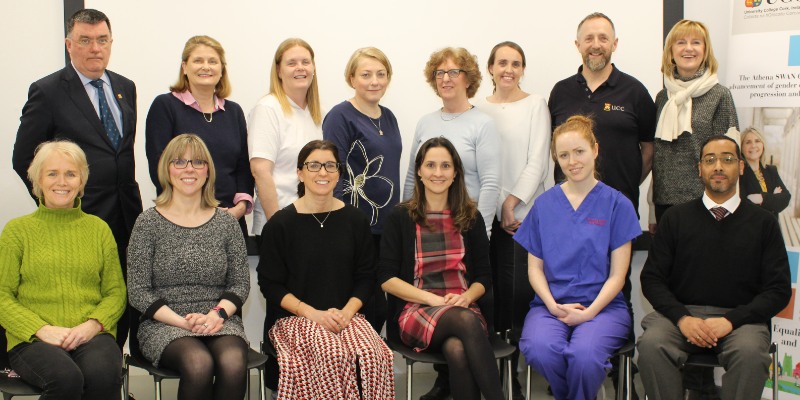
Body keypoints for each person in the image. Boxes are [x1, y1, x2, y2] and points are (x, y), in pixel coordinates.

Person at [11, 8, 141, 351]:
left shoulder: (125, 87)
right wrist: (58, 204)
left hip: (125, 218)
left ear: (111, 43)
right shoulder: (48, 91)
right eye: (85, 40)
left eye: (102, 40)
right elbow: (24, 158)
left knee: (120, 299)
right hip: (78, 219)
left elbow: (121, 154)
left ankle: (110, 374)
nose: (94, 48)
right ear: (70, 45)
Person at [548, 14, 656, 396]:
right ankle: (575, 365)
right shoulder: (561, 92)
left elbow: (649, 150)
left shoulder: (635, 92)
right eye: (588, 38)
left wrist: (623, 187)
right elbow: (556, 148)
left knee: (616, 287)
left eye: (603, 38)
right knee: (567, 282)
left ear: (614, 43)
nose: (596, 44)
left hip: (617, 210)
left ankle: (612, 370)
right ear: (577, 45)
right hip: (569, 212)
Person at [638, 135, 791, 400]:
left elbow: (778, 290)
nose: (718, 166)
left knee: (751, 354)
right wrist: (683, 318)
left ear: (741, 167)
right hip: (682, 318)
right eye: (710, 160)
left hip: (741, 320)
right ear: (700, 169)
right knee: (652, 345)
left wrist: (730, 321)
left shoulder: (764, 223)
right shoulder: (675, 218)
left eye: (727, 159)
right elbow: (652, 279)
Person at [514, 115, 640, 400]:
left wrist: (591, 312)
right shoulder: (544, 205)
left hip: (604, 308)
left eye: (579, 151)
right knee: (539, 349)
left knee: (584, 357)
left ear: (595, 149)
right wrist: (552, 306)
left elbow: (619, 276)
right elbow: (534, 269)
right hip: (550, 305)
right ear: (556, 159)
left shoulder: (617, 205)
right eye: (564, 155)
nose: (573, 161)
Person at [258, 140, 394, 398]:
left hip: (348, 316)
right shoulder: (280, 225)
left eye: (330, 165)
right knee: (331, 355)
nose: (323, 172)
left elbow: (367, 277)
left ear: (339, 173)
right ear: (300, 173)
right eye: (314, 165)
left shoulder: (356, 221)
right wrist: (314, 315)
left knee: (373, 355)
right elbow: (270, 285)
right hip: (297, 319)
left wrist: (346, 313)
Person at [127, 134, 251, 400]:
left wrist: (215, 315)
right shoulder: (147, 223)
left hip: (218, 320)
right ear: (167, 170)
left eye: (197, 161)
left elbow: (239, 283)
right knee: (199, 364)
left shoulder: (226, 223)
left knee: (233, 362)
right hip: (163, 323)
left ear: (208, 171)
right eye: (180, 162)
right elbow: (138, 290)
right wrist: (183, 322)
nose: (189, 169)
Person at [0, 140, 127, 399]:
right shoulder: (17, 231)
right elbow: (2, 295)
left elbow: (116, 292)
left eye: (71, 174)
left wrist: (92, 325)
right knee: (66, 379)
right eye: (52, 173)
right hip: (33, 339)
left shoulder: (99, 229)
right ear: (38, 180)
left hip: (91, 334)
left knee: (102, 375)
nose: (62, 181)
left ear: (81, 181)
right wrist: (41, 329)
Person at [381, 137, 504, 400]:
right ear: (419, 171)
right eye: (431, 165)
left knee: (458, 349)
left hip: (463, 304)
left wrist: (466, 297)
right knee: (464, 320)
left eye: (445, 166)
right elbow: (387, 278)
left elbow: (484, 276)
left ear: (455, 172)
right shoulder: (400, 217)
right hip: (417, 309)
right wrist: (432, 299)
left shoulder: (470, 218)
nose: (438, 173)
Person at [475, 40, 550, 399]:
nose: (508, 69)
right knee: (485, 296)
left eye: (516, 63)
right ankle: (486, 375)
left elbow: (538, 161)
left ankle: (513, 377)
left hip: (521, 217)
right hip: (482, 217)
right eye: (502, 62)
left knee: (516, 295)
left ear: (523, 69)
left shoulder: (536, 105)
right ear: (490, 68)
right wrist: (491, 207)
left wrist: (511, 203)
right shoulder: (476, 109)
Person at [322, 47, 402, 334]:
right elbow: (333, 173)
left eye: (381, 74)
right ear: (351, 78)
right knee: (366, 308)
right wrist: (344, 226)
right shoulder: (340, 117)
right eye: (366, 74)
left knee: (386, 308)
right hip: (356, 228)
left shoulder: (389, 117)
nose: (374, 81)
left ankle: (373, 374)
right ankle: (355, 375)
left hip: (388, 228)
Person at [145, 35, 254, 237]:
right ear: (184, 67)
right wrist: (202, 212)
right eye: (198, 61)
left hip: (230, 220)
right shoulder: (165, 106)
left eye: (213, 61)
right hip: (182, 220)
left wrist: (239, 208)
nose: (206, 67)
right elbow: (158, 166)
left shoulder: (233, 111)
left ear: (222, 70)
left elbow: (243, 168)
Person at [402, 47, 500, 238]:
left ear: (469, 79)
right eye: (440, 73)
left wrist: (483, 232)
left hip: (465, 225)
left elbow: (490, 184)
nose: (445, 79)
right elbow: (411, 177)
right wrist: (406, 226)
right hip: (425, 225)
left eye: (454, 72)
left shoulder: (483, 124)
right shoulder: (425, 122)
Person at [652, 20, 739, 222]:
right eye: (681, 42)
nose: (688, 48)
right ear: (671, 51)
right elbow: (658, 155)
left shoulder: (720, 95)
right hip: (665, 202)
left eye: (696, 42)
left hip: (707, 201)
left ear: (705, 50)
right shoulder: (662, 97)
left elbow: (729, 157)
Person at [249, 38, 323, 241]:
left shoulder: (315, 114)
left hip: (311, 220)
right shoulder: (268, 108)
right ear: (279, 71)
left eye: (305, 62)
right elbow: (260, 171)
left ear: (313, 68)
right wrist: (278, 226)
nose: (300, 68)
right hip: (280, 224)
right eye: (292, 63)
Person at [739, 127, 791, 219]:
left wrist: (762, 198)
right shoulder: (740, 174)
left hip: (772, 229)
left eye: (757, 141)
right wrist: (773, 198)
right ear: (742, 148)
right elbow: (744, 207)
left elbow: (786, 198)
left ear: (763, 145)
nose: (753, 145)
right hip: (752, 231)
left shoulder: (771, 170)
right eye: (748, 142)